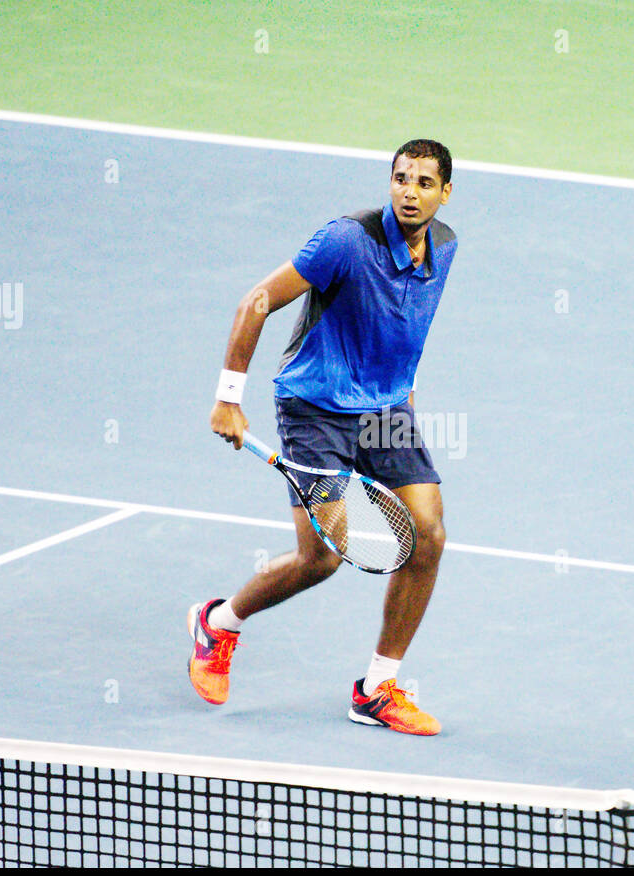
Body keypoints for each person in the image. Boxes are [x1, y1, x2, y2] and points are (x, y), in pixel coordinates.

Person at [191, 139, 458, 736]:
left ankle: (376, 688)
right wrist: (228, 398)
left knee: (430, 536)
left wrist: (403, 395)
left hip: (384, 408)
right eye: (400, 179)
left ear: (445, 192)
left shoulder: (445, 246)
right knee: (323, 557)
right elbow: (255, 301)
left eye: (422, 183)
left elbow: (408, 324)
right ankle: (220, 622)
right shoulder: (345, 240)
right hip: (316, 406)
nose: (408, 193)